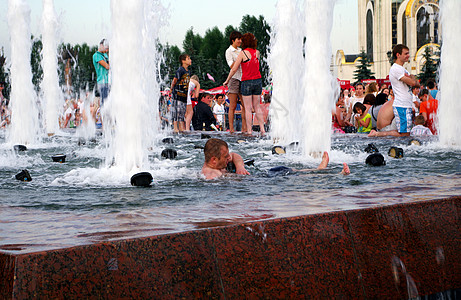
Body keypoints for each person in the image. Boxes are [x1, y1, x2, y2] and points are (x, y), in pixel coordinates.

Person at [224, 33, 265, 136]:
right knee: (257, 106)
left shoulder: (242, 53)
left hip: (246, 81)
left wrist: (227, 80)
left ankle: (249, 131)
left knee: (247, 108)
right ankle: (262, 130)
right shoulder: (257, 52)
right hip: (258, 81)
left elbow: (233, 69)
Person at [389, 44, 420, 136]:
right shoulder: (396, 69)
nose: (408, 56)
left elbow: (417, 84)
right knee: (404, 133)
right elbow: (413, 83)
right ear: (398, 55)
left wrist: (412, 77)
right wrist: (412, 79)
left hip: (406, 104)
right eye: (406, 53)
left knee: (406, 132)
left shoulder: (403, 69)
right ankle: (378, 134)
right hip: (401, 105)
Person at [225, 31, 246, 133]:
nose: (240, 41)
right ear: (233, 40)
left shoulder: (241, 50)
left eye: (241, 39)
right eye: (238, 39)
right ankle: (231, 129)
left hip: (243, 78)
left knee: (244, 105)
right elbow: (232, 66)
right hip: (234, 79)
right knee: (232, 105)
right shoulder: (229, 51)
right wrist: (239, 60)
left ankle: (244, 128)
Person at [170, 54, 192, 133]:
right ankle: (175, 127)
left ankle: (181, 126)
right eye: (188, 58)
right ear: (183, 61)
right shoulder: (180, 70)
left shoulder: (188, 71)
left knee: (182, 111)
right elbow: (175, 79)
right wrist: (172, 88)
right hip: (178, 93)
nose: (190, 60)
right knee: (177, 110)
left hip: (184, 95)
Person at [92, 39, 110, 105]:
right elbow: (107, 66)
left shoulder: (105, 55)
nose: (107, 50)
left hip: (109, 81)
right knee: (105, 103)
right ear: (101, 45)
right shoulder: (96, 55)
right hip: (103, 82)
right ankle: (103, 115)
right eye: (106, 48)